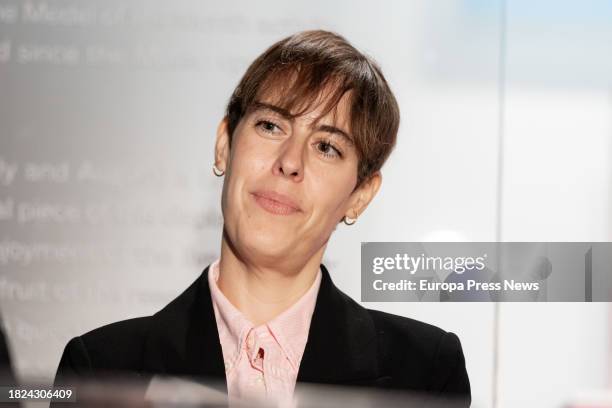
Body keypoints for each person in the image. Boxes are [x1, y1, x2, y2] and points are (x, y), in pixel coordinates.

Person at [54, 30, 471, 407]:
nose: (290, 162)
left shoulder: (424, 375)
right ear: (224, 145)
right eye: (271, 125)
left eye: (327, 147)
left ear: (359, 196)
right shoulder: (101, 370)